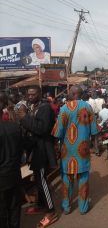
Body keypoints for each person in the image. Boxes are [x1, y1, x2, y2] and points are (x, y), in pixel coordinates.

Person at [52, 86, 99, 215]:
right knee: (83, 177)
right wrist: (93, 145)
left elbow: (57, 132)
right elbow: (94, 130)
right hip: (82, 148)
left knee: (67, 177)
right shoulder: (87, 107)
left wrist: (57, 146)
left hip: (67, 149)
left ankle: (66, 206)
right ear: (79, 94)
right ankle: (83, 208)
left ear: (71, 94)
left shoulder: (64, 108)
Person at [16, 86, 58, 228]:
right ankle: (41, 205)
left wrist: (25, 118)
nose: (30, 97)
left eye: (33, 94)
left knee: (42, 180)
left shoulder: (45, 107)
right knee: (38, 180)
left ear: (39, 94)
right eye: (28, 94)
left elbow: (41, 129)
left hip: (42, 150)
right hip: (34, 150)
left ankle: (51, 212)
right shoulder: (33, 106)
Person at [0, 92, 22, 228]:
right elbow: (21, 150)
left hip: (2, 178)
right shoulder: (14, 127)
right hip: (14, 174)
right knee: (14, 208)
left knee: (2, 211)